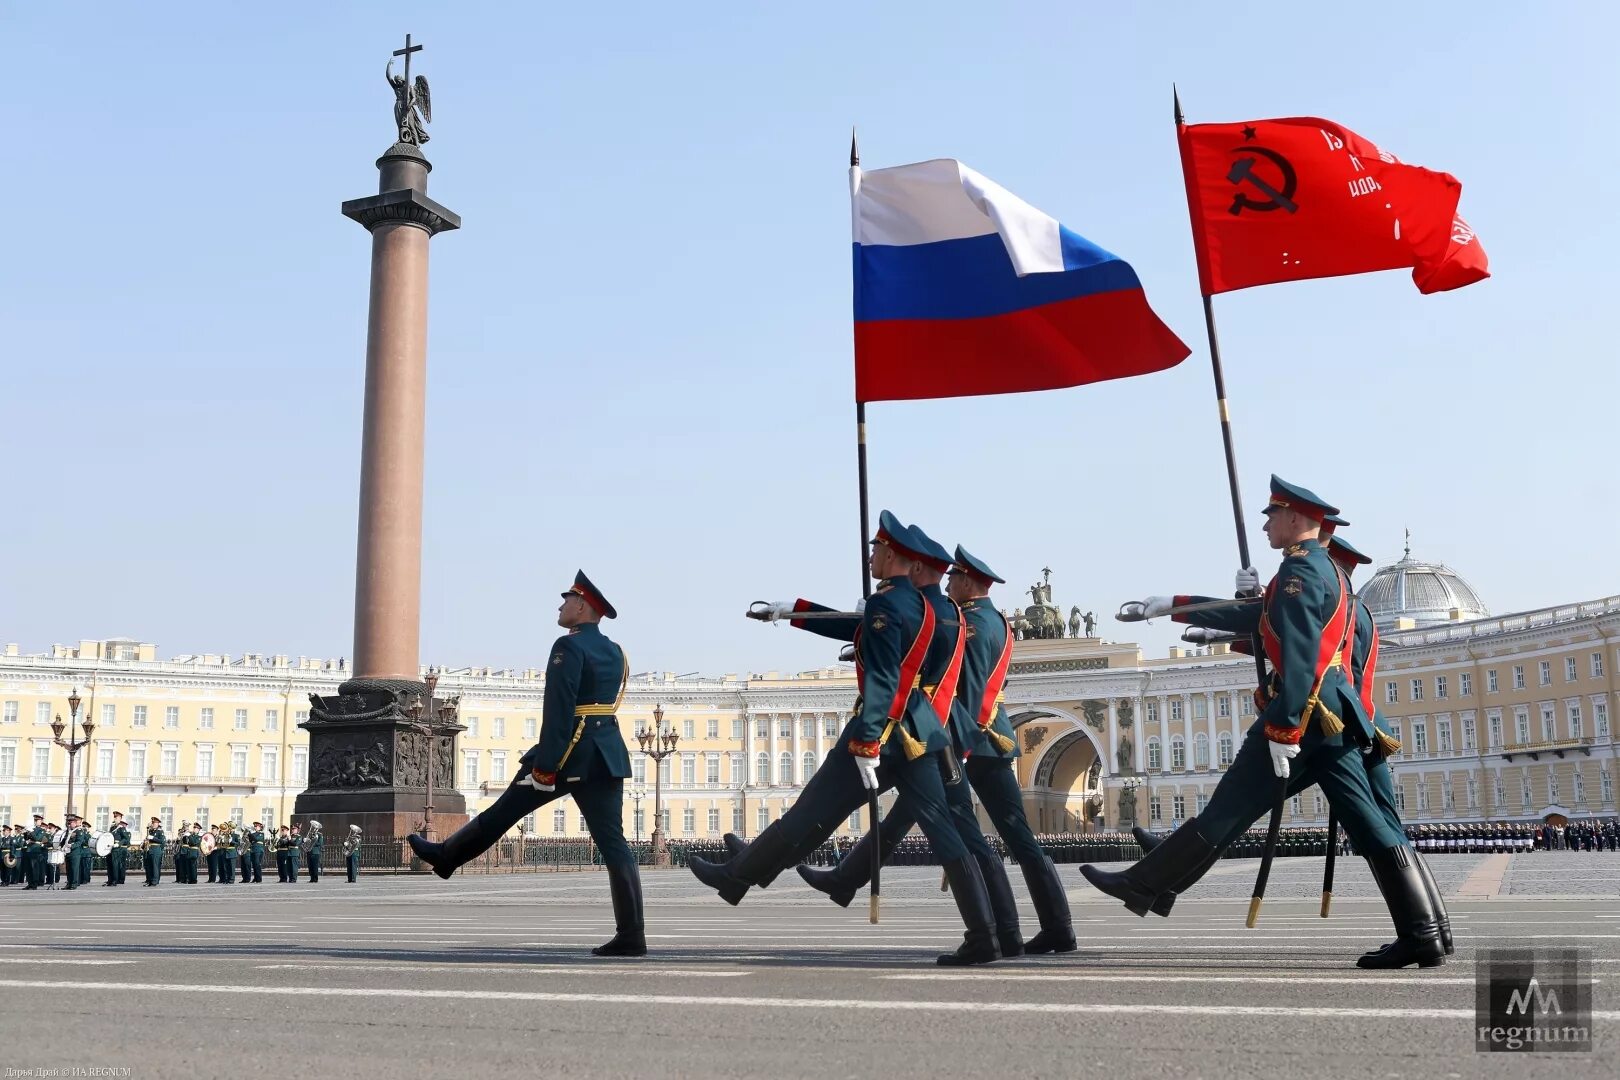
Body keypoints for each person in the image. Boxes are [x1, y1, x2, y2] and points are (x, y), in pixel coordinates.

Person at [1081, 477, 1443, 969]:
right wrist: (1178, 605)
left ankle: (1145, 883)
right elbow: (1265, 618)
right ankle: (1427, 933)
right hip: (1331, 716)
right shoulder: (1315, 572)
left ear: (1296, 519)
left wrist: (1285, 725)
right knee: (1370, 823)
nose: (1268, 524)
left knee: (1229, 809)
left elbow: (1300, 656)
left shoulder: (1299, 574)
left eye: (1272, 515)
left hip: (1309, 713)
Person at [690, 512, 1001, 966]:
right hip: (922, 732)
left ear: (896, 556)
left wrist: (867, 742)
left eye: (876, 549)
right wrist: (795, 612)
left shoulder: (888, 606)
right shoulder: (935, 611)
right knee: (944, 833)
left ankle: (736, 877)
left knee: (808, 815)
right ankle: (984, 934)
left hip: (882, 730)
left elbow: (881, 678)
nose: (871, 556)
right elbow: (862, 632)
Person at [792, 536, 1075, 956]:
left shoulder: (973, 625)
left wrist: (955, 747)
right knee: (940, 825)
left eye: (954, 577)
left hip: (966, 741)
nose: (947, 584)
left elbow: (973, 693)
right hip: (980, 741)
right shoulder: (994, 621)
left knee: (971, 838)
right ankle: (1039, 928)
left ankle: (1012, 930)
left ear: (968, 582)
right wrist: (802, 614)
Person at [410, 571, 645, 957]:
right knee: (615, 845)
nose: (560, 605)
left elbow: (559, 710)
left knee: (504, 811)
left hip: (566, 751)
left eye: (567, 599)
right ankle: (632, 934)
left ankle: (444, 856)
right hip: (605, 755)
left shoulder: (567, 648)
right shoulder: (617, 652)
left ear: (582, 606)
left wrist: (546, 767)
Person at [105, 811, 132, 886]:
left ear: (120, 818)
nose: (115, 819)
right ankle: (110, 880)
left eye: (116, 818)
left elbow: (126, 838)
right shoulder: (112, 827)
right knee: (110, 865)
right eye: (115, 817)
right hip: (111, 848)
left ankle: (115, 880)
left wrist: (119, 844)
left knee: (115, 865)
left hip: (117, 849)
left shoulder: (121, 828)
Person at [143, 817, 166, 886]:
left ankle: (154, 881)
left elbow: (162, 841)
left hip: (156, 850)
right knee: (150, 866)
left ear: (157, 824)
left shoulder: (160, 831)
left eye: (155, 823)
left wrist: (153, 838)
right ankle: (150, 881)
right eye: (153, 823)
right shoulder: (151, 831)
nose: (153, 824)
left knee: (155, 866)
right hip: (150, 849)